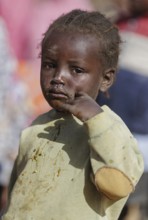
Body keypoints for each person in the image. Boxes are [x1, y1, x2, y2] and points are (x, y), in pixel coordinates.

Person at [1, 9, 144, 220]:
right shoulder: (35, 130)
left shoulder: (111, 130)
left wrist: (96, 119)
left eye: (76, 70)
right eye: (49, 65)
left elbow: (118, 185)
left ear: (106, 79)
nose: (58, 77)